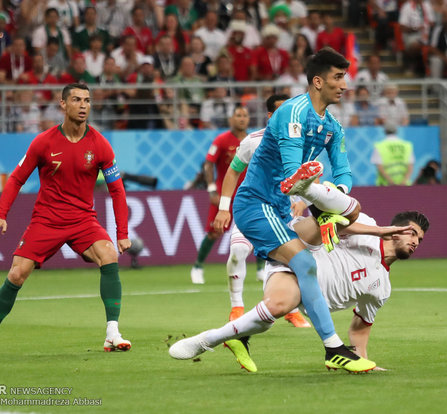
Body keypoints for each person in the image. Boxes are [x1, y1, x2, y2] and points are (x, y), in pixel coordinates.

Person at [219, 47, 376, 373]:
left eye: (345, 76)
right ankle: (334, 348)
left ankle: (240, 335)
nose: (344, 84)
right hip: (256, 204)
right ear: (317, 81)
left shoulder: (333, 125)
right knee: (303, 264)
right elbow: (293, 176)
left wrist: (339, 194)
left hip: (282, 211)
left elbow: (344, 171)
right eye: (337, 77)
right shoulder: (292, 113)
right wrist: (323, 198)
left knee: (287, 293)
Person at [0, 83, 132, 355]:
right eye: (76, 100)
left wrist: (122, 232)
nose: (83, 106)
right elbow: (17, 178)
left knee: (109, 255)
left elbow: (117, 190)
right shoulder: (44, 141)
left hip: (82, 220)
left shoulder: (100, 144)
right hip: (47, 220)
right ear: (63, 104)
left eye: (87, 101)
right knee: (17, 274)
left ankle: (112, 332)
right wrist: (0, 215)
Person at [169, 210, 429, 372]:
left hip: (311, 300)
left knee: (265, 320)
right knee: (280, 303)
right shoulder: (369, 227)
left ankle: (239, 335)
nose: (416, 241)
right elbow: (336, 223)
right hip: (293, 258)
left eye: (419, 239)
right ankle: (207, 340)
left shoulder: (382, 287)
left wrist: (363, 362)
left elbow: (360, 327)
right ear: (396, 230)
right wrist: (378, 230)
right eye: (412, 233)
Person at [212, 94, 310, 327]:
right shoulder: (252, 141)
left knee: (293, 259)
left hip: (284, 212)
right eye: (281, 111)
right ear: (270, 116)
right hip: (254, 208)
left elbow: (310, 176)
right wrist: (224, 208)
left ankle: (290, 308)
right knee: (237, 250)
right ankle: (236, 307)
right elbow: (233, 171)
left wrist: (303, 202)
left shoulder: (300, 143)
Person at [190, 106, 251, 284]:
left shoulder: (252, 140)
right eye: (238, 115)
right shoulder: (221, 140)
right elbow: (208, 165)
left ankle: (262, 270)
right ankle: (198, 266)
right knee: (215, 232)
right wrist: (211, 189)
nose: (242, 118)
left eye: (245, 115)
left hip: (247, 195)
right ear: (231, 119)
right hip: (225, 194)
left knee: (259, 230)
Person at [372, 119, 414, 186]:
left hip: (385, 185)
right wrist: (403, 182)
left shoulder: (379, 146)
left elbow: (380, 167)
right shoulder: (407, 145)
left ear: (384, 131)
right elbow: (410, 167)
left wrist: (391, 182)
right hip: (405, 185)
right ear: (396, 131)